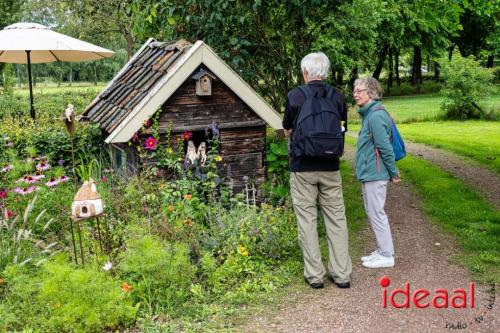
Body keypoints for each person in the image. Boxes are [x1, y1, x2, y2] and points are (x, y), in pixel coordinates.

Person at [283, 52, 352, 289]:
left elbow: (287, 128)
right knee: (336, 219)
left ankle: (315, 275)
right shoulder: (337, 97)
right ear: (325, 72)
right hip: (331, 167)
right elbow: (343, 128)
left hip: (302, 168)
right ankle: (341, 273)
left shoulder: (294, 96)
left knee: (307, 220)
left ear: (305, 72)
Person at [353, 77, 400, 269]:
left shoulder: (375, 116)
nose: (355, 94)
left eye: (359, 91)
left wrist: (393, 172)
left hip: (376, 173)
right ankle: (382, 250)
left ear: (371, 92)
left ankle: (387, 255)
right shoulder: (369, 114)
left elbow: (384, 147)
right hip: (370, 172)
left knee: (377, 213)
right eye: (354, 91)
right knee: (372, 211)